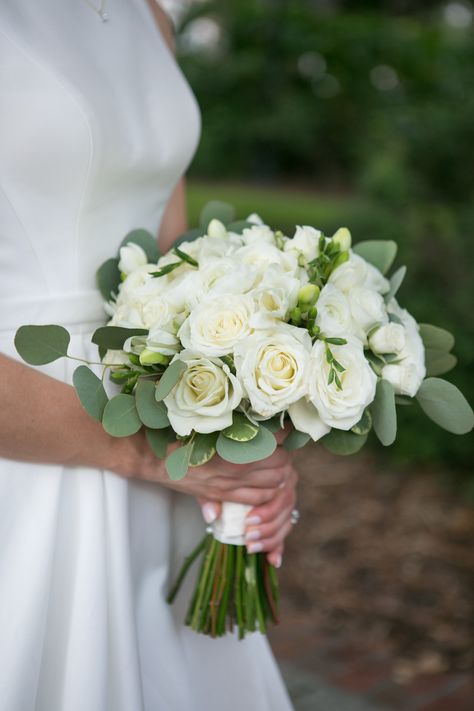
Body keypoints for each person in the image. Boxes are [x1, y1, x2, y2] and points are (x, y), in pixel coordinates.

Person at [0, 2, 297, 709]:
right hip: (32, 443)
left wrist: (239, 427)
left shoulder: (148, 15)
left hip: (157, 431)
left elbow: (170, 262)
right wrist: (144, 449)